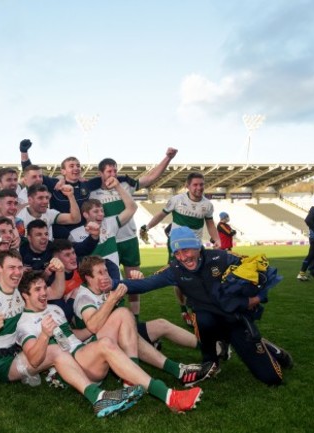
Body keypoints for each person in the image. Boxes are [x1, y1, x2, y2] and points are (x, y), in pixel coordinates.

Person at [0, 251, 136, 433]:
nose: (16, 272)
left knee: (54, 350)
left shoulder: (22, 294)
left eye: (19, 268)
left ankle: (98, 398)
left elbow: (54, 291)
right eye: (11, 268)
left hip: (14, 359)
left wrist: (61, 271)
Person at [124, 227, 294, 386]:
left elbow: (264, 272)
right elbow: (144, 285)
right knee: (202, 318)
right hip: (208, 323)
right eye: (177, 252)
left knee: (272, 379)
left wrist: (257, 298)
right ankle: (210, 360)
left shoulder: (222, 257)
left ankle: (270, 348)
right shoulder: (175, 269)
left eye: (186, 250)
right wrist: (107, 284)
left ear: (197, 247)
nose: (182, 257)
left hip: (235, 320)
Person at [17, 272, 203, 414]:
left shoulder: (54, 308)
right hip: (74, 365)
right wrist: (43, 335)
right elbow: (33, 359)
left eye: (44, 288)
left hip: (82, 352)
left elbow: (72, 335)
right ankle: (168, 395)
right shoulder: (24, 322)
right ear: (25, 295)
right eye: (37, 290)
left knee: (123, 315)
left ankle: (131, 378)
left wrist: (91, 331)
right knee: (106, 343)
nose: (43, 293)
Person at [72, 256, 213, 387]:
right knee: (127, 323)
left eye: (106, 271)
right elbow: (93, 326)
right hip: (97, 347)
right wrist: (112, 300)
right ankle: (174, 371)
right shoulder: (84, 297)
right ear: (89, 278)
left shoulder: (104, 287)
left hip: (117, 334)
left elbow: (134, 287)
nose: (106, 276)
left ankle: (211, 347)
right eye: (100, 273)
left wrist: (136, 280)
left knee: (161, 324)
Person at [89, 150, 177, 321]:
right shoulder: (93, 193)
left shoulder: (126, 185)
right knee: (106, 282)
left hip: (128, 239)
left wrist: (168, 158)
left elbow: (151, 177)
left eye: (115, 171)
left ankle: (135, 320)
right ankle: (109, 318)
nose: (113, 174)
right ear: (100, 173)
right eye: (109, 171)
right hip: (107, 243)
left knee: (134, 281)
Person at [140, 172, 220, 326]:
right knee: (179, 279)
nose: (199, 188)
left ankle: (200, 306)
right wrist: (147, 227)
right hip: (177, 246)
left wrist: (216, 239)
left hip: (196, 245)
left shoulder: (207, 205)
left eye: (201, 184)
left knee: (202, 276)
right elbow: (161, 215)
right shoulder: (177, 200)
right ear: (187, 186)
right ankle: (184, 309)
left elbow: (210, 224)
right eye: (195, 184)